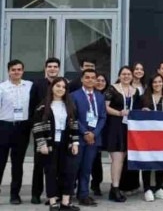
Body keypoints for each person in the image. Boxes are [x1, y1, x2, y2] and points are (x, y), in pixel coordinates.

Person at [32, 77, 80, 211]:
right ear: (52, 87)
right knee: (51, 172)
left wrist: (75, 143)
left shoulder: (70, 106)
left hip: (66, 143)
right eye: (58, 86)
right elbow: (37, 127)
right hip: (49, 144)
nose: (61, 89)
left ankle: (65, 202)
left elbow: (74, 125)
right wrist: (41, 144)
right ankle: (53, 202)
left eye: (64, 87)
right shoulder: (43, 106)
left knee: (69, 172)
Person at [0, 59, 37, 205]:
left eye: (19, 69)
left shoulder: (29, 86)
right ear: (9, 71)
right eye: (13, 69)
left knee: (18, 163)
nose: (16, 72)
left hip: (22, 128)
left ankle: (15, 194)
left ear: (23, 71)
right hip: (4, 127)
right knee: (0, 161)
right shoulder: (1, 87)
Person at [104, 66, 142, 202]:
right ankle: (114, 188)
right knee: (117, 159)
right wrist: (119, 113)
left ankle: (118, 187)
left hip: (130, 128)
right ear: (119, 76)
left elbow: (138, 108)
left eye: (128, 74)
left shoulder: (135, 91)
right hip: (115, 126)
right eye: (123, 74)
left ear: (132, 76)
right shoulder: (112, 89)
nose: (126, 76)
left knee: (125, 158)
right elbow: (106, 107)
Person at [72, 69, 107, 206]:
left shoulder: (99, 96)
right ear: (82, 79)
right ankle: (67, 193)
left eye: (93, 78)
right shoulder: (74, 96)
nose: (90, 80)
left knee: (87, 168)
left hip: (94, 138)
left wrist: (94, 133)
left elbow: (103, 117)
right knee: (75, 167)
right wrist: (85, 133)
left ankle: (84, 195)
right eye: (87, 77)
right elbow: (72, 117)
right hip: (79, 137)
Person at [30, 57, 61, 205]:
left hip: (58, 131)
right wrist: (36, 131)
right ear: (45, 68)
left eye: (55, 66)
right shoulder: (37, 84)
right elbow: (32, 107)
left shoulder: (62, 84)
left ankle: (54, 194)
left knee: (55, 165)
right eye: (50, 66)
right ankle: (36, 194)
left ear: (59, 69)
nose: (52, 69)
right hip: (41, 130)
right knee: (39, 164)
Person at [139, 74, 163, 202]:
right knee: (146, 161)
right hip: (147, 135)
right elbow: (136, 114)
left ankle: (158, 188)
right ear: (151, 84)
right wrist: (142, 110)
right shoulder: (143, 98)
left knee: (161, 161)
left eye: (160, 82)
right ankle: (147, 189)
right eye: (155, 82)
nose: (157, 84)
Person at [90, 73, 109, 196]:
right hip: (92, 130)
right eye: (98, 80)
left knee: (98, 159)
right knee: (93, 159)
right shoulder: (89, 95)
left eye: (103, 80)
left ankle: (96, 183)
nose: (100, 83)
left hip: (105, 130)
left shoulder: (107, 95)